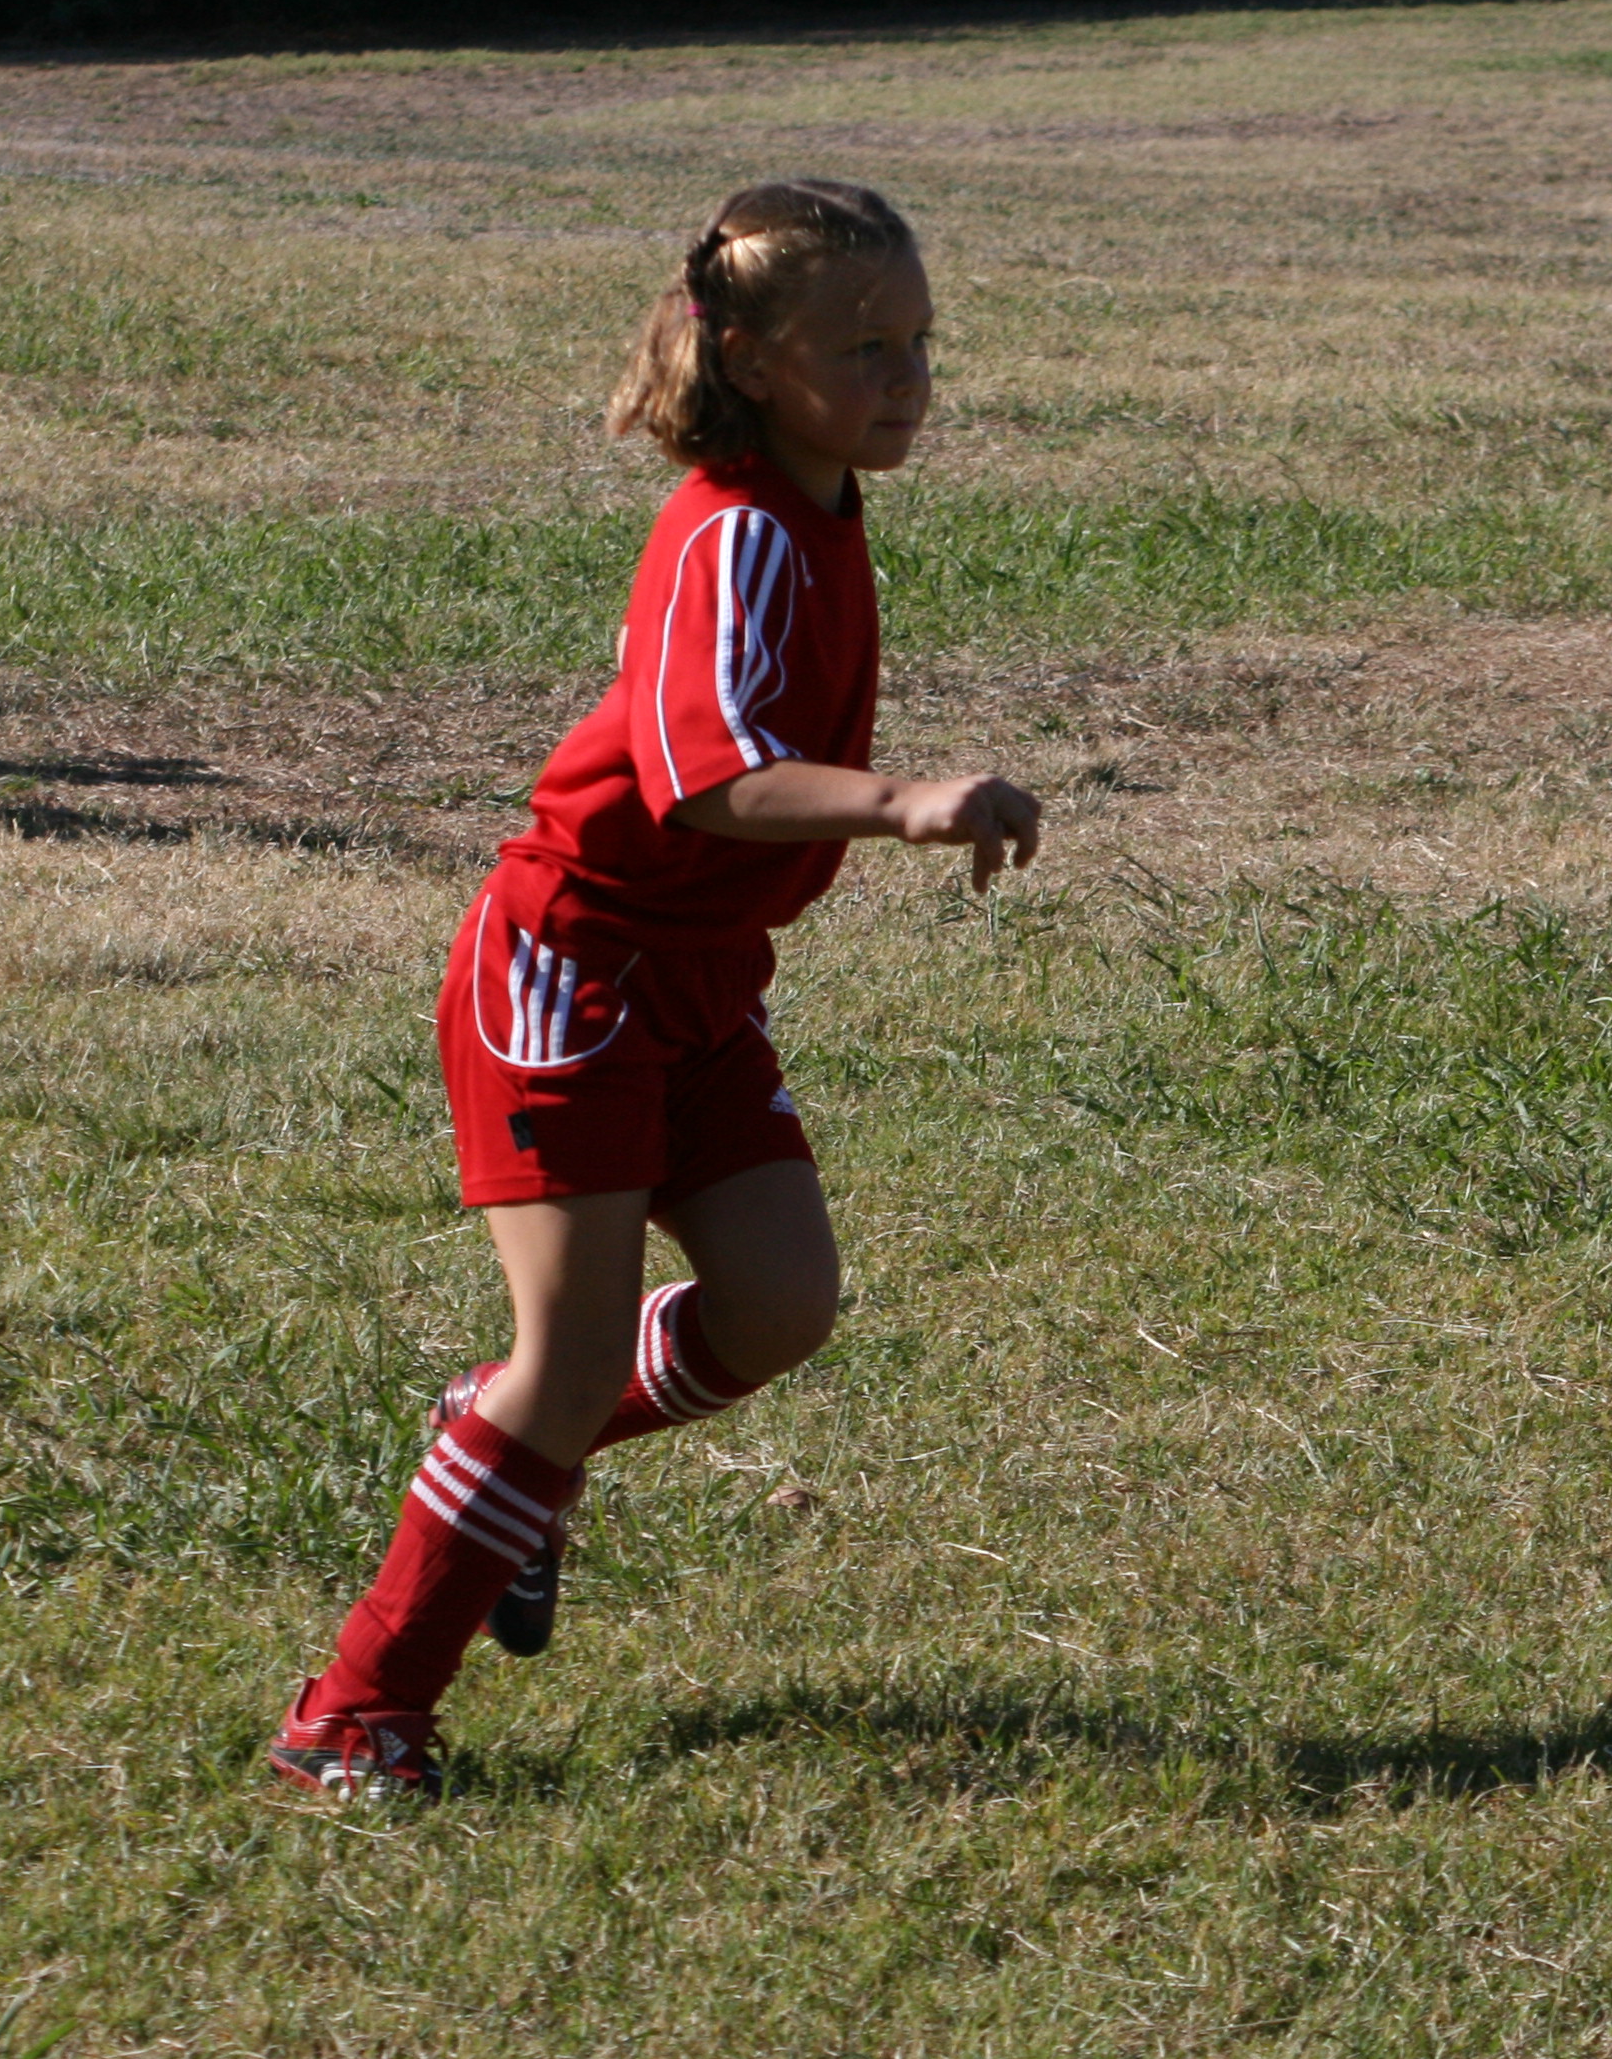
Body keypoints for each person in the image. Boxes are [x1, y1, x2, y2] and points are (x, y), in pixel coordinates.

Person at [269, 178, 1042, 1803]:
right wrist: (901, 801)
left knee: (778, 1307)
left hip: (697, 981)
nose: (907, 377)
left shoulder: (822, 504)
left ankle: (502, 1441)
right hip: (571, 973)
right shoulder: (734, 528)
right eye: (864, 347)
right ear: (751, 360)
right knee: (562, 1364)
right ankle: (354, 1717)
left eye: (921, 342)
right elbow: (706, 777)